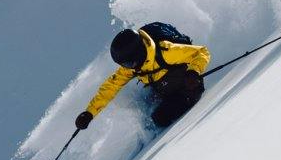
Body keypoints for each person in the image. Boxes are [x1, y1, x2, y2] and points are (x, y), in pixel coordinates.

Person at [75, 22, 211, 132]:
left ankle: (156, 134)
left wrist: (193, 72)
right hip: (163, 89)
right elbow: (110, 88)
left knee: (159, 118)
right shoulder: (133, 67)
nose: (127, 68)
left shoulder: (165, 51)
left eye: (128, 63)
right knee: (142, 105)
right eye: (124, 65)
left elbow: (201, 52)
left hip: (189, 88)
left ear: (138, 53)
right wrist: (89, 113)